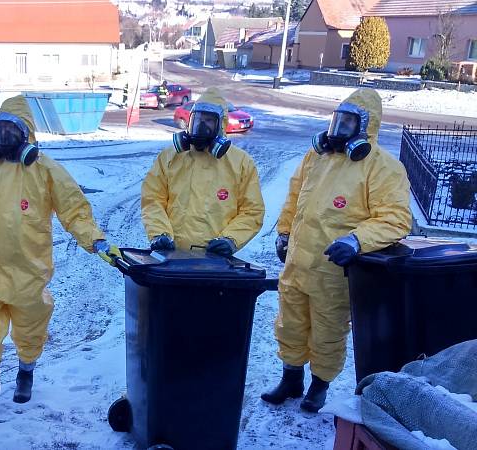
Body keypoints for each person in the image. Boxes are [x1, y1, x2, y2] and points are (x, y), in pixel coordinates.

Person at [0, 95, 120, 410]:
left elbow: (74, 209)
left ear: (27, 134)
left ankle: (25, 374)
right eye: (0, 131)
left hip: (29, 269)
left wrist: (96, 241)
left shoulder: (47, 170)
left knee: (30, 330)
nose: (3, 139)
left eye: (11, 132)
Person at [262, 87, 411, 413]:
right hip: (297, 263)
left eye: (348, 124)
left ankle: (319, 385)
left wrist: (356, 240)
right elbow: (294, 197)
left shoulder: (382, 167)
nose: (339, 130)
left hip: (334, 270)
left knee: (328, 330)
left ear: (365, 128)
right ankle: (291, 379)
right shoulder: (316, 157)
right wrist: (284, 233)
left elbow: (396, 218)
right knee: (290, 323)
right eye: (337, 121)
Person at [141, 87, 265, 256]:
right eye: (197, 120)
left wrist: (230, 239)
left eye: (208, 121)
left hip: (214, 262)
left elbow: (252, 211)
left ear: (220, 125)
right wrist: (159, 233)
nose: (201, 126)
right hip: (171, 257)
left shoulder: (241, 163)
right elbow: (153, 199)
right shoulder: (170, 158)